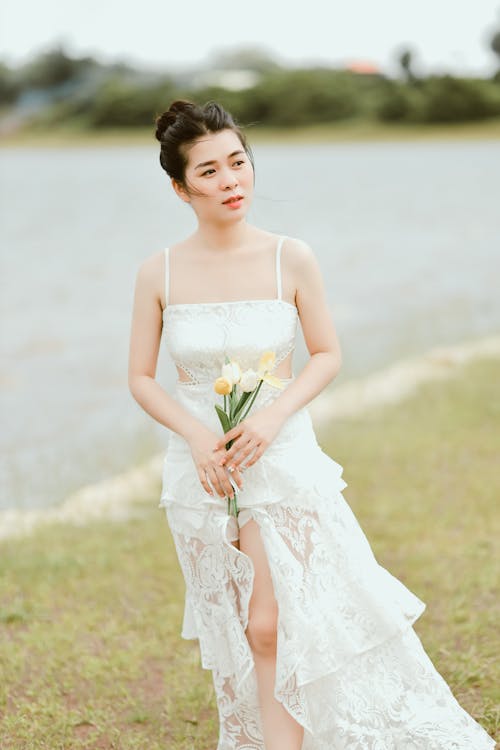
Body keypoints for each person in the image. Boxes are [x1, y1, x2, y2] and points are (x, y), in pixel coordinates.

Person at [127, 100, 495, 750]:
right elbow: (141, 378)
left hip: (280, 458)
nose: (231, 181)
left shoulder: (288, 258)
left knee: (269, 622)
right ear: (181, 188)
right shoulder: (158, 272)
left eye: (238, 163)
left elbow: (326, 354)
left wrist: (268, 418)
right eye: (209, 172)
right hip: (202, 472)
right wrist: (193, 434)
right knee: (241, 627)